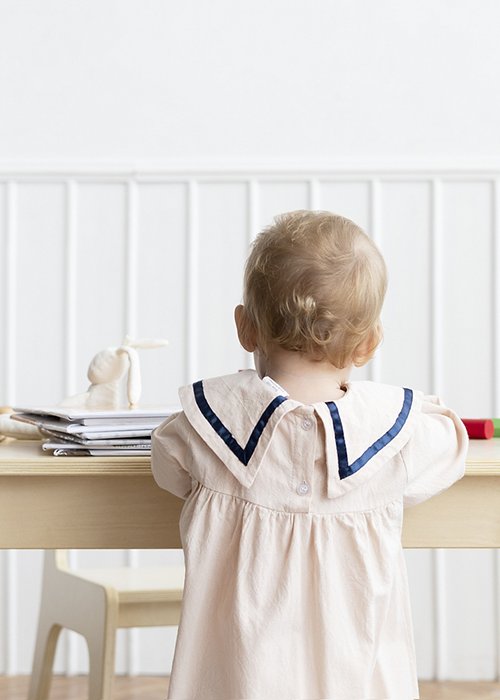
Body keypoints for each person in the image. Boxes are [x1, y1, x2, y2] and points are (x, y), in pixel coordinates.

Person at [151, 210, 468, 700]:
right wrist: (418, 406)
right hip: (356, 682)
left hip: (236, 681)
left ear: (245, 327)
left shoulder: (207, 427)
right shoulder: (393, 435)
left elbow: (166, 463)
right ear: (369, 344)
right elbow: (450, 444)